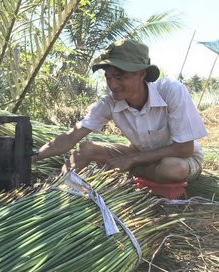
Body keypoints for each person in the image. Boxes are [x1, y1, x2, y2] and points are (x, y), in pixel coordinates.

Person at [33, 39, 208, 183]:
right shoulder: (110, 102)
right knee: (85, 149)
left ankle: (135, 172)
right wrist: (33, 157)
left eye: (119, 77)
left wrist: (131, 160)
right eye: (108, 77)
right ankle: (56, 184)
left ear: (142, 74)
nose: (113, 85)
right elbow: (73, 135)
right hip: (140, 155)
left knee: (172, 169)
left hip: (182, 160)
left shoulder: (171, 91)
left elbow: (184, 148)